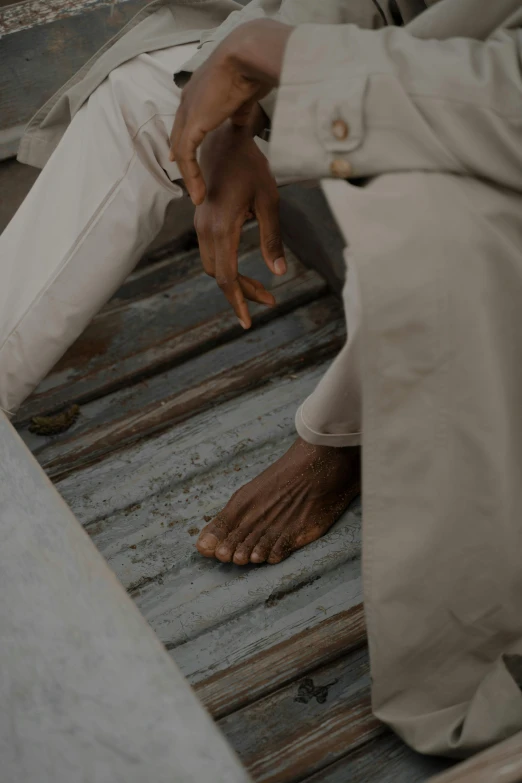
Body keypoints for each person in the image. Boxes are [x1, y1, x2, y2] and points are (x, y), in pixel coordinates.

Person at [1, 0, 522, 759]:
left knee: (430, 217)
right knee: (163, 96)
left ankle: (344, 443)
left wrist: (287, 64)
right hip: (443, 63)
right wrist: (243, 107)